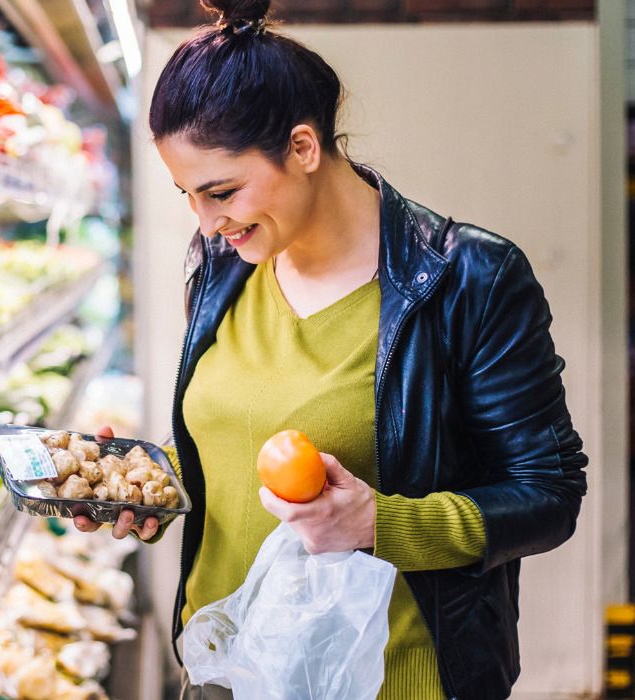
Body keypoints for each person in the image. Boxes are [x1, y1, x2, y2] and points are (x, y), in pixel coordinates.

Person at [72, 0, 588, 697]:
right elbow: (238, 442)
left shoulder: (470, 279)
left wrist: (381, 522)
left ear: (304, 148)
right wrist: (153, 485)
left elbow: (549, 495)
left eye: (220, 191)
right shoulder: (222, 266)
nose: (205, 221)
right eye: (188, 195)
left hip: (386, 678)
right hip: (223, 667)